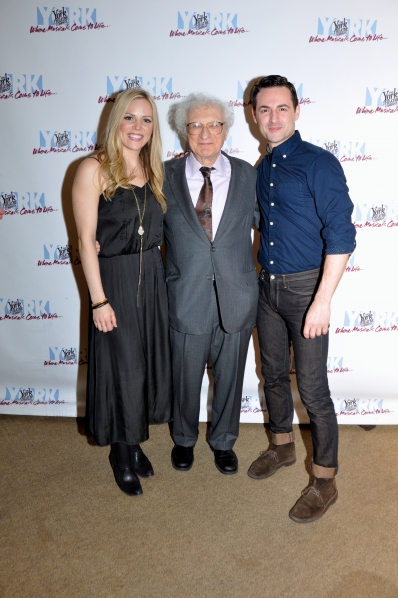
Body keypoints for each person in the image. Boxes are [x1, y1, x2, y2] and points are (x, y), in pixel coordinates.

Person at [248, 75, 356, 522]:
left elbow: (343, 234)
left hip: (307, 289)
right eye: (265, 110)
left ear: (297, 111)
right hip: (266, 288)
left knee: (312, 389)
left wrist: (323, 300)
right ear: (255, 116)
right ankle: (282, 446)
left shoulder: (319, 164)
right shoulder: (261, 168)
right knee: (272, 374)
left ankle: (325, 481)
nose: (273, 118)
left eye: (282, 109)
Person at [72, 89, 172, 497]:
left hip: (152, 278)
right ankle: (122, 452)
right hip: (113, 278)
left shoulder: (154, 168)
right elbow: (84, 239)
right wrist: (98, 299)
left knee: (146, 365)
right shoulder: (92, 168)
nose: (138, 127)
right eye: (129, 118)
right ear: (116, 122)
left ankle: (135, 441)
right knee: (124, 368)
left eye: (146, 120)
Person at [164, 93, 259, 475]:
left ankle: (223, 442)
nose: (206, 133)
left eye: (214, 124)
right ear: (184, 131)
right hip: (185, 295)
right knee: (184, 376)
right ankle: (183, 439)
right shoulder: (164, 176)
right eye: (196, 125)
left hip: (237, 295)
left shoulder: (248, 174)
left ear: (226, 129)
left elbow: (268, 223)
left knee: (231, 377)